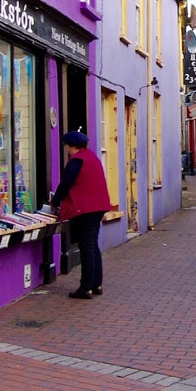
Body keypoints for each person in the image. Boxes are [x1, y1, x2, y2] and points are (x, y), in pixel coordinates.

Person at [50, 127, 113, 298]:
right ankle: (96, 284)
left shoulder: (76, 161)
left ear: (71, 146)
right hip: (99, 206)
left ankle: (85, 287)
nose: (66, 150)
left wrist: (55, 202)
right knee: (92, 245)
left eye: (66, 146)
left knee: (86, 247)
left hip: (86, 209)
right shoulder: (92, 158)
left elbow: (65, 184)